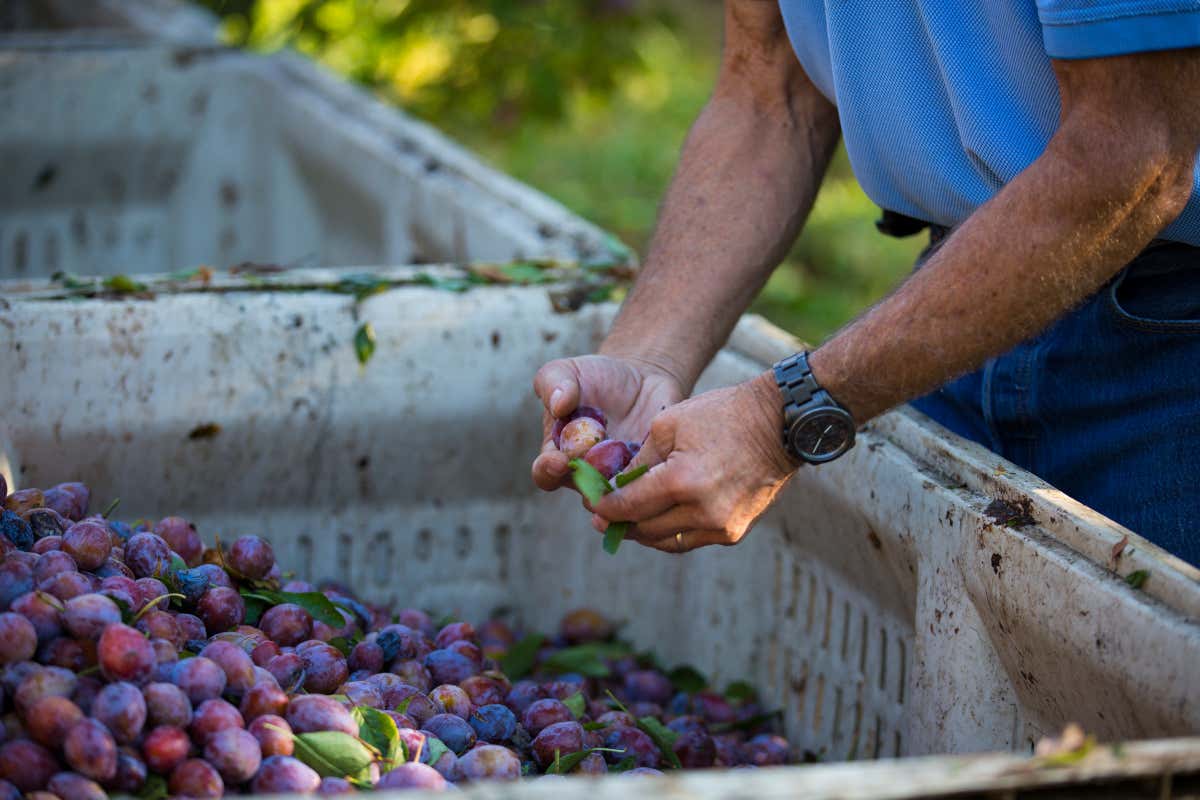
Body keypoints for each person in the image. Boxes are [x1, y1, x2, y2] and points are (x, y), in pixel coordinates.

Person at [530, 0, 1200, 567]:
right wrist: (645, 358)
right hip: (961, 308)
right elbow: (770, 93)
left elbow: (1132, 156)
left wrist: (784, 415)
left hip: (1173, 354)